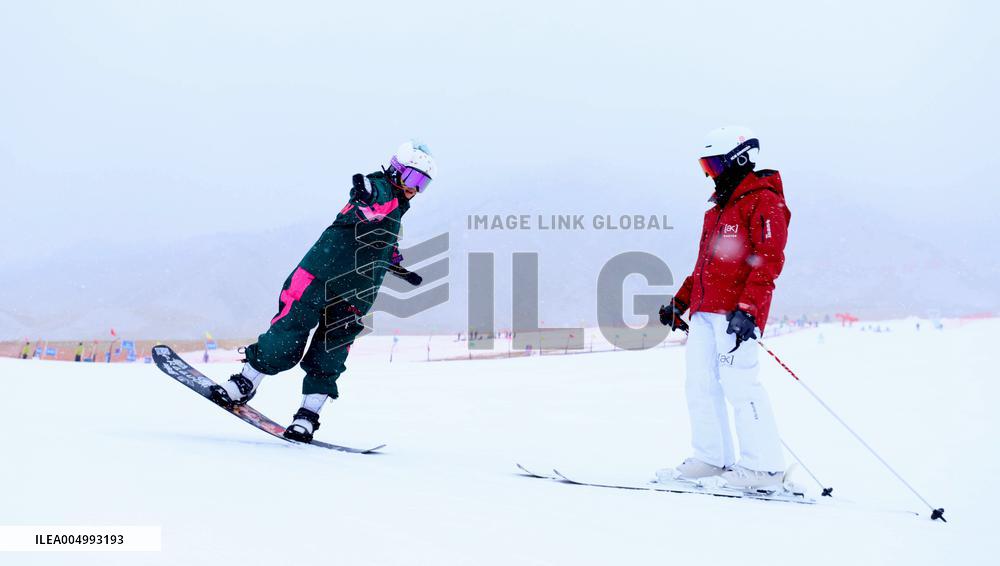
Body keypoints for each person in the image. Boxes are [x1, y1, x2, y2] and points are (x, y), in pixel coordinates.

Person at [209, 140, 435, 443]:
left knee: (332, 351)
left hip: (357, 289)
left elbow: (383, 233)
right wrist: (365, 192)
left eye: (424, 183)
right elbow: (371, 202)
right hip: (321, 274)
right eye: (412, 179)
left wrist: (394, 261)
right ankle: (245, 383)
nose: (415, 189)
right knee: (285, 338)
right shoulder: (379, 191)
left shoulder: (398, 208)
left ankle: (308, 415)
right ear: (395, 171)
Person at [658, 126, 791, 489]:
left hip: (736, 318)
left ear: (738, 160)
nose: (710, 173)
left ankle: (764, 468)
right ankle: (712, 459)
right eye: (706, 165)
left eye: (714, 164)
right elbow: (705, 266)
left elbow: (768, 260)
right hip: (704, 313)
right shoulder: (717, 210)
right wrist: (680, 302)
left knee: (740, 385)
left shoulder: (763, 201)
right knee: (699, 385)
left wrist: (749, 309)